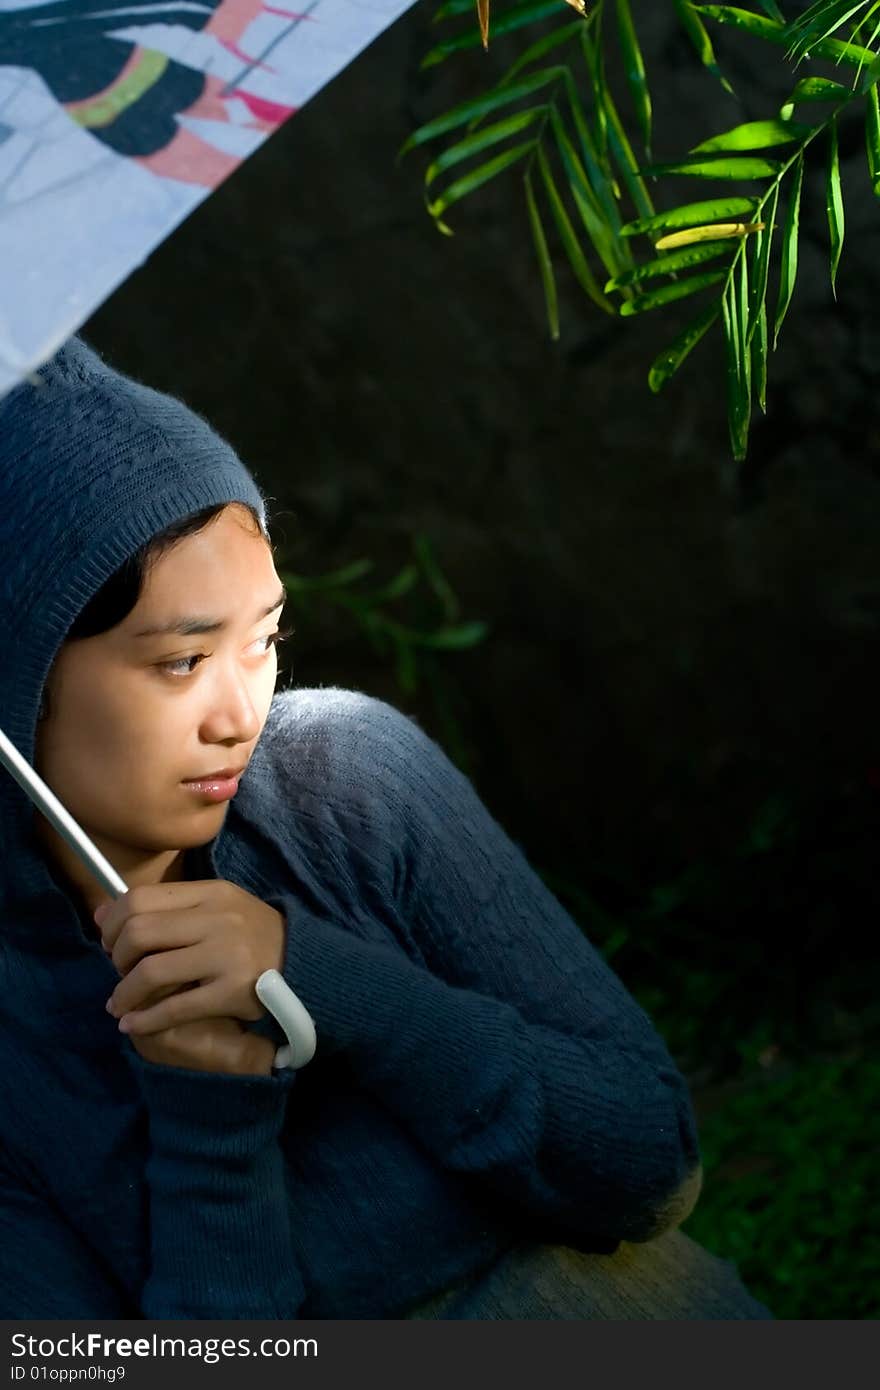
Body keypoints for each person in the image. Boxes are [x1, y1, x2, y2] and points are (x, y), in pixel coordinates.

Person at [0, 337, 773, 1319]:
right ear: (21, 678)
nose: (238, 713)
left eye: (264, 639)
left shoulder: (349, 780)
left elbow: (648, 1162)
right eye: (182, 662)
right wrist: (208, 1122)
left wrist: (319, 976)